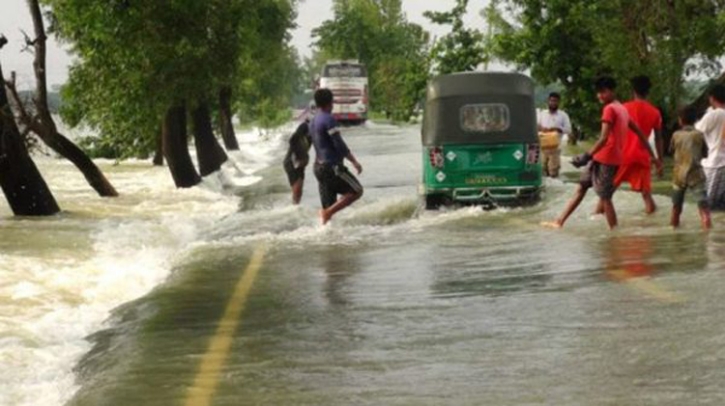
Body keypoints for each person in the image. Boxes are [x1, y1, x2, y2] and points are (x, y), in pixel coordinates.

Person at [543, 76, 659, 230]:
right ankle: (559, 222)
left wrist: (586, 156)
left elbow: (604, 138)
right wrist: (653, 156)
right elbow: (640, 134)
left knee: (605, 198)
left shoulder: (610, 109)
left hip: (607, 159)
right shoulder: (622, 109)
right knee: (582, 187)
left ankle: (615, 231)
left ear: (611, 91)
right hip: (605, 157)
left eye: (603, 92)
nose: (599, 96)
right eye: (598, 93)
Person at [609, 76, 665, 214]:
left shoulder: (622, 108)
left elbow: (612, 134)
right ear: (648, 92)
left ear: (633, 90)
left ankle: (597, 219)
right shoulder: (655, 112)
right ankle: (651, 226)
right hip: (642, 157)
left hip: (623, 156)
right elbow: (659, 139)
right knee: (646, 195)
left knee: (607, 193)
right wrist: (660, 161)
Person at [310, 88, 364, 225]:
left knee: (329, 214)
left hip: (318, 168)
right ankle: (328, 213)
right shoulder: (329, 119)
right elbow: (339, 144)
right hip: (331, 168)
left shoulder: (312, 121)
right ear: (331, 102)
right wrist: (354, 162)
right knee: (357, 190)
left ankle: (327, 232)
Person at [670, 105, 712, 229]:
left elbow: (671, 151)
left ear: (680, 120)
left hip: (679, 175)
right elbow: (705, 154)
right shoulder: (699, 135)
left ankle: (674, 234)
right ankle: (708, 234)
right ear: (695, 120)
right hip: (696, 175)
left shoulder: (675, 135)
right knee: (704, 209)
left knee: (676, 209)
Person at [695, 84, 725, 210]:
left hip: (717, 163)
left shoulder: (714, 114)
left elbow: (696, 132)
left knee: (708, 207)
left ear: (712, 98)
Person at [283, 106, 314, 205]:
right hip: (292, 162)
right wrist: (302, 156)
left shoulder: (312, 135)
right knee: (297, 189)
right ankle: (294, 208)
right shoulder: (304, 127)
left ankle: (294, 208)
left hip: (300, 164)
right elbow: (292, 140)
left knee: (298, 191)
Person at [537, 92, 572, 178]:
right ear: (548, 101)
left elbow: (568, 130)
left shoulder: (563, 115)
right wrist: (541, 128)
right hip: (542, 147)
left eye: (555, 101)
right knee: (541, 172)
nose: (553, 103)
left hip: (555, 148)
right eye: (551, 101)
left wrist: (557, 129)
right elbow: (535, 127)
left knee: (553, 173)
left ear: (559, 102)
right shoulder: (541, 114)